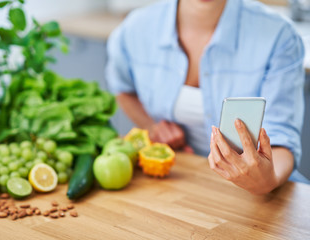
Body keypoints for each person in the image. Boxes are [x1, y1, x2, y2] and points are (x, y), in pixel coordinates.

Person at [105, 0, 306, 194]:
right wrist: (151, 126)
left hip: (260, 193)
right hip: (175, 180)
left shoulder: (279, 35)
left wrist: (268, 180)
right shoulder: (135, 28)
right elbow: (122, 88)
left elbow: (282, 139)